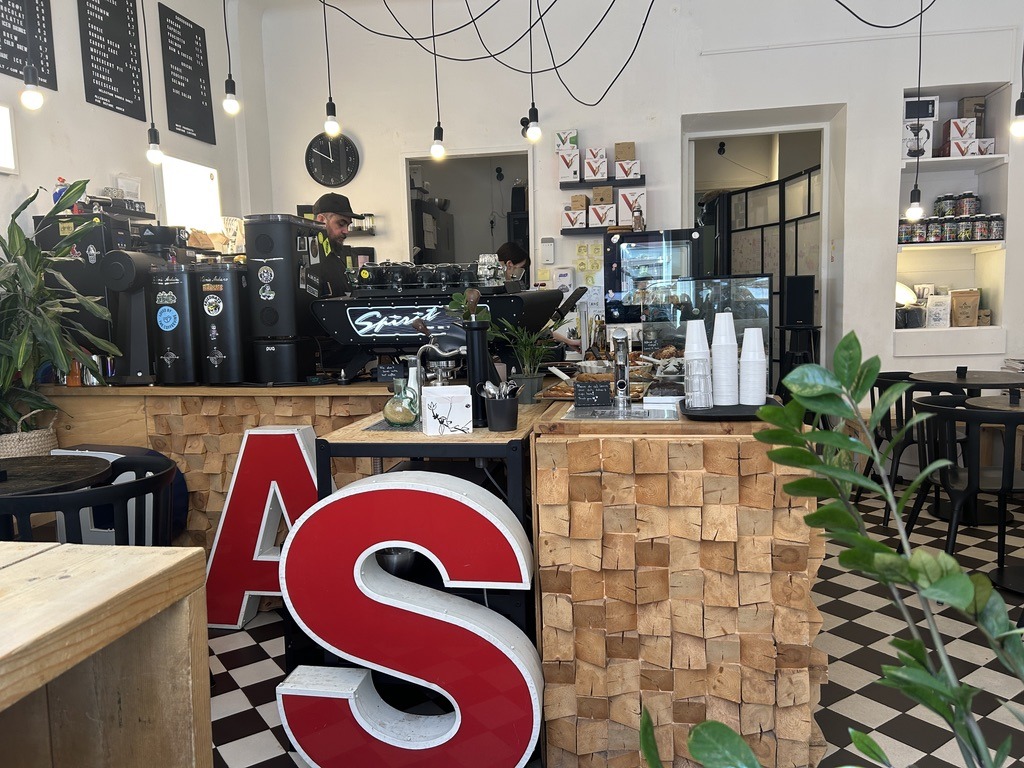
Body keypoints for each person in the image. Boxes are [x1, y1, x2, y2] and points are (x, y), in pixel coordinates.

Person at [497, 241, 581, 349]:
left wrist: (568, 341)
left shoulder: (508, 294)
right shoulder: (502, 297)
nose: (521, 275)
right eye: (521, 268)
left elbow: (537, 329)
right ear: (509, 264)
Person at [312, 192, 364, 296]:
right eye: (341, 224)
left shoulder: (334, 259)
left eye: (347, 225)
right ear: (321, 220)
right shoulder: (310, 262)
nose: (346, 231)